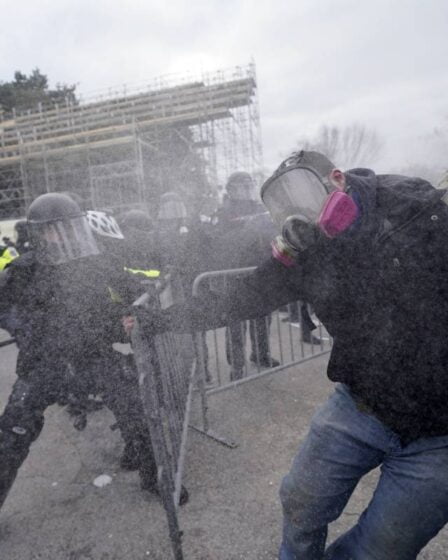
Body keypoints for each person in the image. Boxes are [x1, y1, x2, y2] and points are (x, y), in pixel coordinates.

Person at [133, 150, 448, 559]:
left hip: (440, 436)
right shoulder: (308, 253)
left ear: (337, 180)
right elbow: (240, 298)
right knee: (300, 501)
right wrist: (158, 320)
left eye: (302, 192)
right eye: (284, 204)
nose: (301, 212)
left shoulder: (418, 214)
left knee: (381, 548)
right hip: (359, 405)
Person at [0, 193, 158, 511]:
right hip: (43, 365)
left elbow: (129, 286)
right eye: (53, 229)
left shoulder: (94, 262)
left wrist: (135, 309)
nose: (62, 235)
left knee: (134, 410)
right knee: (13, 432)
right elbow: (4, 308)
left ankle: (155, 478)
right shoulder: (23, 270)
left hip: (92, 354)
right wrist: (25, 327)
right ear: (39, 233)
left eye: (68, 227)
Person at [212, 171, 279, 379]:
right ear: (232, 189)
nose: (248, 189)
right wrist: (244, 230)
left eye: (250, 185)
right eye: (243, 185)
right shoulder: (223, 213)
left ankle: (261, 354)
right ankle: (237, 364)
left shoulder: (261, 209)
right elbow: (220, 242)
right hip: (234, 274)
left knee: (262, 317)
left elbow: (271, 235)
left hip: (260, 271)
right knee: (236, 321)